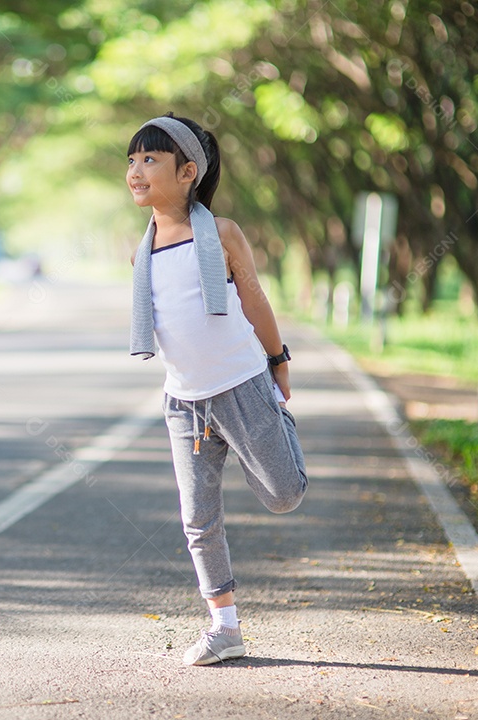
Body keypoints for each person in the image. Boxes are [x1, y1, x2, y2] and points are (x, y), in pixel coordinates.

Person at [126, 114, 308, 666]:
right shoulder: (141, 252)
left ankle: (279, 427)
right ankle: (224, 627)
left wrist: (277, 360)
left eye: (150, 159)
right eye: (131, 160)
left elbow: (253, 300)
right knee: (198, 519)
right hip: (185, 403)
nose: (136, 170)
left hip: (242, 385)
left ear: (188, 172)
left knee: (283, 495)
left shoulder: (223, 233)